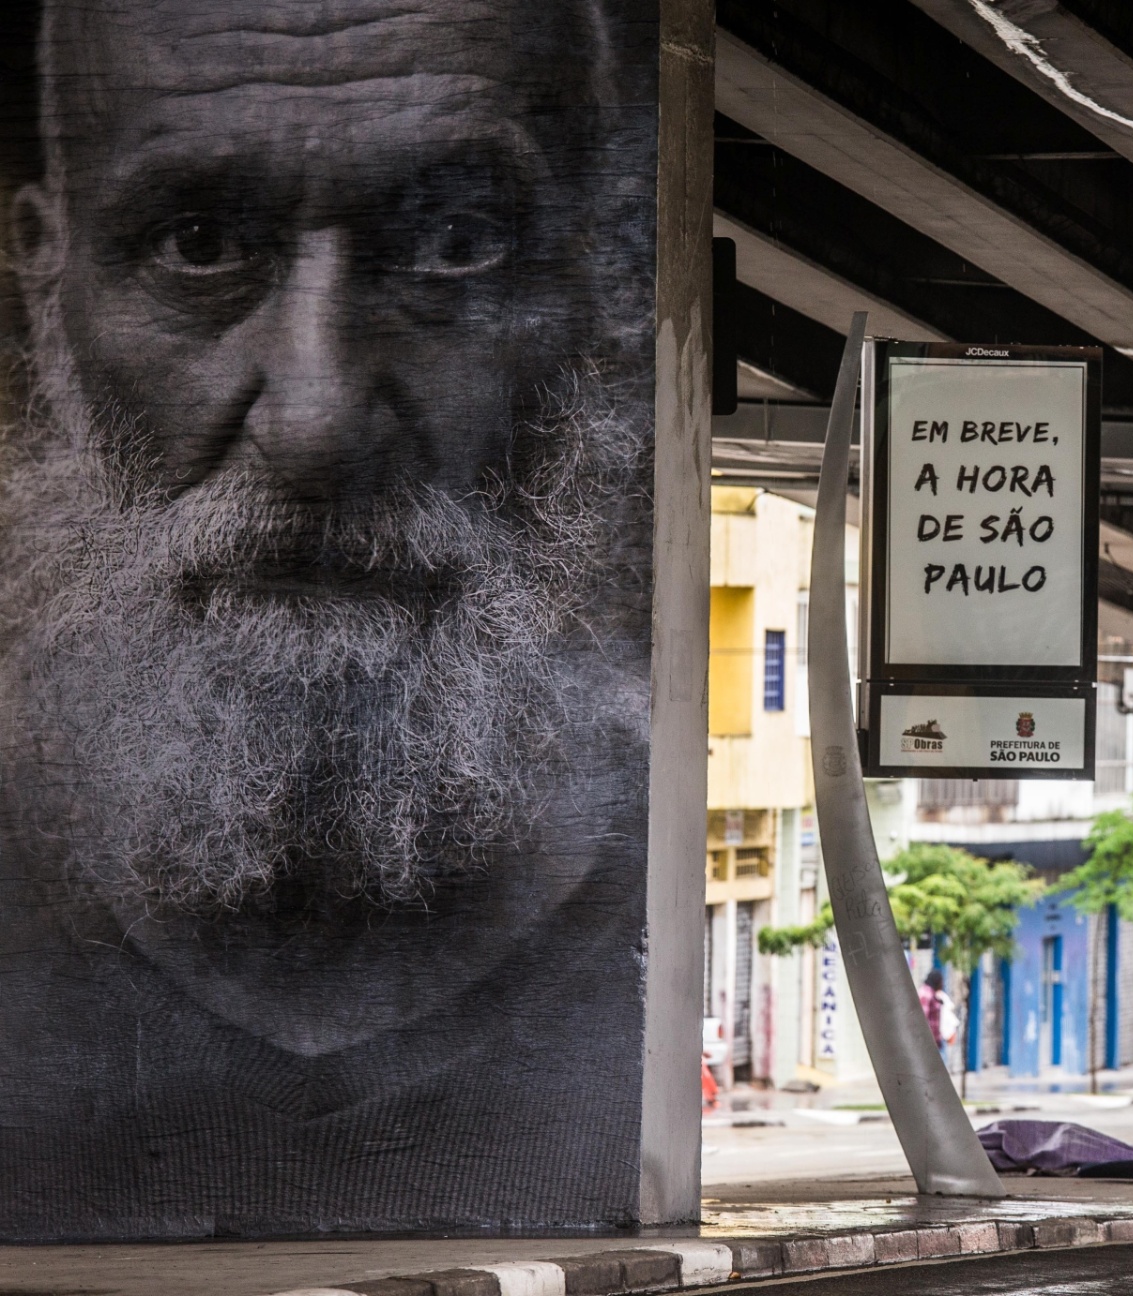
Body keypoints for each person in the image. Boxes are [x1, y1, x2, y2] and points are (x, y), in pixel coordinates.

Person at [0, 0, 656, 1238]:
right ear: (50, 287)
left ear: (604, 285)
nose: (314, 421)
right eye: (199, 244)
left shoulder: (641, 878)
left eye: (456, 244)